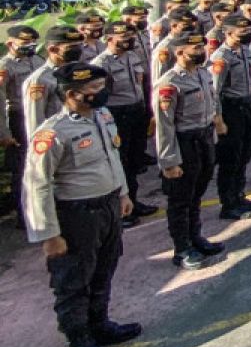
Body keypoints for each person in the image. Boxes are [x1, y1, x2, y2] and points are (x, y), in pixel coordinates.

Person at [22, 61, 140, 347]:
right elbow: (37, 185)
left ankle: (99, 325)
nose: (102, 93)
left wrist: (123, 193)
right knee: (73, 280)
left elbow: (112, 158)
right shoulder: (52, 133)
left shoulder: (102, 115)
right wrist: (48, 234)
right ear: (73, 94)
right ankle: (79, 342)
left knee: (104, 269)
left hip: (108, 206)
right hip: (76, 216)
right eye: (94, 90)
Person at [155, 34, 224, 270]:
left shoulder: (202, 73)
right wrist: (169, 161)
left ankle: (196, 238)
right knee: (180, 200)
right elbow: (165, 127)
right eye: (195, 47)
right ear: (179, 52)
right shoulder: (170, 83)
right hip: (184, 144)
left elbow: (212, 104)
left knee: (196, 195)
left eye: (201, 46)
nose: (201, 50)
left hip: (203, 138)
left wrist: (214, 131)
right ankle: (182, 248)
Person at [93, 22, 157, 225]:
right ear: (109, 39)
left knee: (134, 160)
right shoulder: (100, 63)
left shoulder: (132, 56)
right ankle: (121, 211)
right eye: (123, 37)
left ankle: (134, 202)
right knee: (119, 162)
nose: (129, 40)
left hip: (136, 109)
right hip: (117, 114)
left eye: (130, 36)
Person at [212, 15, 251, 215]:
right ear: (228, 33)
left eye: (247, 31)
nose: (247, 34)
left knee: (244, 153)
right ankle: (228, 203)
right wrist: (218, 119)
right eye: (241, 32)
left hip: (247, 105)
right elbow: (215, 92)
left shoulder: (245, 51)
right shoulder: (221, 57)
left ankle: (239, 196)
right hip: (231, 110)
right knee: (231, 158)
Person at [0, 25, 43, 226]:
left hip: (40, 116)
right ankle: (23, 215)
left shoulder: (37, 60)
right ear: (10, 44)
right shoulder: (5, 66)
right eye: (25, 43)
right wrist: (4, 133)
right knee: (23, 169)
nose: (30, 47)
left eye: (32, 43)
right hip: (19, 118)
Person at [23, 25, 85, 143]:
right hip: (58, 139)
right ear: (53, 49)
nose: (78, 50)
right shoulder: (39, 79)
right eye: (72, 47)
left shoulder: (79, 70)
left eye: (79, 45)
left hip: (81, 135)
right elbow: (35, 120)